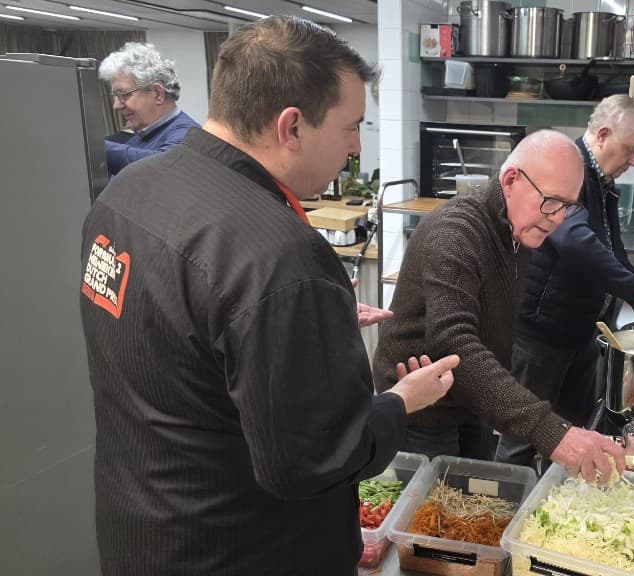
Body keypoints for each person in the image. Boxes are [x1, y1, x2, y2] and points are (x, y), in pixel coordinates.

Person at [79, 16, 458, 575]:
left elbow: (179, 332)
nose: (356, 147)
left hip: (141, 531)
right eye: (351, 126)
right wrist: (402, 401)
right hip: (244, 549)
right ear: (292, 127)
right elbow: (313, 460)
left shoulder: (128, 192)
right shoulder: (280, 255)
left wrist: (301, 327)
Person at [372, 129, 625, 483]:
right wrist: (552, 432)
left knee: (474, 502)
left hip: (469, 398)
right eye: (551, 201)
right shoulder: (457, 232)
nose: (557, 218)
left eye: (568, 206)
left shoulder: (517, 227)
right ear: (511, 180)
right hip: (421, 408)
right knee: (432, 525)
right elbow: (454, 342)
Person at [494, 95, 634, 468]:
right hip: (541, 337)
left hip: (579, 336)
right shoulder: (569, 171)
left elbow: (613, 249)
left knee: (574, 433)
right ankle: (506, 515)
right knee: (522, 438)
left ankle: (554, 510)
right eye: (631, 150)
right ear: (603, 135)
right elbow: (573, 239)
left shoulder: (601, 182)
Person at [98, 41, 200, 176]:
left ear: (158, 94)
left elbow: (161, 166)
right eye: (115, 96)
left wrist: (94, 146)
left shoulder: (189, 136)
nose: (116, 105)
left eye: (124, 94)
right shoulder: (140, 138)